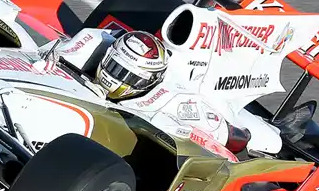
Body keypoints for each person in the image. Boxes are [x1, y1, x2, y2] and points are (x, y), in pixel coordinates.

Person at [89, 29, 252, 158]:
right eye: (113, 66)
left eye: (126, 74)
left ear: (148, 79)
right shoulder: (96, 47)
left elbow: (233, 137)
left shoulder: (175, 101)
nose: (113, 76)